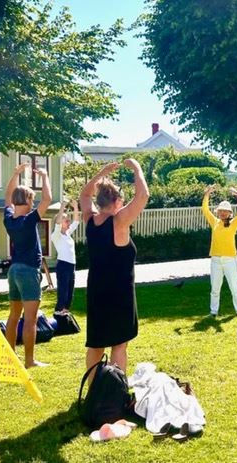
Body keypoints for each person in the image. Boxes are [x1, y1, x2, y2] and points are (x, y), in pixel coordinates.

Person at [80, 159, 149, 378]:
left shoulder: (90, 220)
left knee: (96, 344)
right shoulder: (119, 221)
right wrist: (136, 168)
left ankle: (94, 390)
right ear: (117, 201)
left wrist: (102, 173)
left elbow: (84, 195)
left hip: (96, 291)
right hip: (120, 293)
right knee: (119, 344)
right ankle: (116, 390)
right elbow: (143, 196)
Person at [3, 163, 52, 368]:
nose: (34, 203)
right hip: (29, 271)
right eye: (32, 199)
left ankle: (10, 358)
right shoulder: (29, 220)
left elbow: (7, 197)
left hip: (14, 270)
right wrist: (45, 176)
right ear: (27, 200)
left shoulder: (9, 219)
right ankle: (30, 361)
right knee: (30, 319)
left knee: (14, 316)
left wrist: (15, 174)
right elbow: (48, 199)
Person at [201, 185, 237, 317]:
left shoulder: (233, 223)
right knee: (215, 288)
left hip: (229, 260)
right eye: (220, 211)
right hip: (215, 260)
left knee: (234, 287)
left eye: (225, 211)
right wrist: (207, 194)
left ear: (229, 213)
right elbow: (205, 209)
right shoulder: (214, 222)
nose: (222, 213)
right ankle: (213, 311)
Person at [51, 199, 80, 314]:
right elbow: (58, 223)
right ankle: (58, 311)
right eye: (66, 220)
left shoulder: (67, 234)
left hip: (71, 265)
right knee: (63, 291)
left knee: (70, 291)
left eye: (68, 219)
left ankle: (65, 312)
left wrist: (75, 206)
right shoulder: (56, 235)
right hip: (63, 265)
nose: (68, 221)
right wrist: (62, 206)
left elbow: (76, 222)